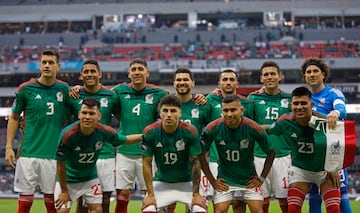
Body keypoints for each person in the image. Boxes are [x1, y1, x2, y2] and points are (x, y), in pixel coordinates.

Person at [5, 49, 70, 213]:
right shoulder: (25, 89)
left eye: (51, 62)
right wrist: (8, 147)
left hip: (53, 156)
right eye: (44, 62)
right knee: (25, 203)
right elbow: (13, 118)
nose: (47, 65)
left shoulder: (64, 89)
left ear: (58, 66)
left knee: (52, 204)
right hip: (28, 153)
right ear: (40, 65)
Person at [54, 98, 142, 213]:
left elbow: (125, 140)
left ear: (99, 116)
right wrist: (64, 192)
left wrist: (144, 136)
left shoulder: (104, 131)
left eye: (92, 113)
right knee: (62, 211)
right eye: (84, 113)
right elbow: (60, 164)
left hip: (89, 178)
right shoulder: (67, 135)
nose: (87, 117)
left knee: (97, 210)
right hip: (67, 180)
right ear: (79, 114)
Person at [267, 86, 341, 213]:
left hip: (324, 169)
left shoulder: (324, 121)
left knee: (334, 209)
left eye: (303, 103)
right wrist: (247, 126)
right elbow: (267, 129)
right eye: (296, 103)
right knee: (293, 209)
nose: (299, 107)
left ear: (311, 104)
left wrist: (334, 167)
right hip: (300, 170)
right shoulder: (285, 121)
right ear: (291, 105)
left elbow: (339, 143)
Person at [200, 94, 275, 213]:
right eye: (226, 110)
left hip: (248, 180)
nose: (229, 114)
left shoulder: (253, 128)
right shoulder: (212, 128)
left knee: (258, 210)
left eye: (233, 110)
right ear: (221, 111)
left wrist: (261, 178)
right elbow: (201, 155)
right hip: (225, 180)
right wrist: (212, 181)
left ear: (241, 110)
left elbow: (271, 152)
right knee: (219, 210)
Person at [112, 58, 169, 213]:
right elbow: (103, 98)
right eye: (134, 69)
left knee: (150, 194)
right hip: (124, 152)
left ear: (147, 73)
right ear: (129, 74)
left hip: (148, 154)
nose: (137, 72)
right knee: (122, 196)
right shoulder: (118, 91)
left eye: (140, 69)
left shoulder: (159, 93)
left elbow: (169, 111)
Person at [68, 59, 120, 213]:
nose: (89, 74)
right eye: (86, 72)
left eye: (93, 71)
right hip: (82, 154)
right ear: (81, 76)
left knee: (105, 199)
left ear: (100, 74)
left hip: (106, 154)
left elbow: (123, 117)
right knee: (82, 201)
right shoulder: (74, 95)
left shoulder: (111, 96)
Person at [141, 94, 207, 213]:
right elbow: (146, 163)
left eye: (173, 111)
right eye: (165, 110)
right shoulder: (150, 132)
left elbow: (196, 163)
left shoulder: (190, 131)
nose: (169, 114)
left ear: (180, 113)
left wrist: (196, 194)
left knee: (200, 210)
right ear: (160, 113)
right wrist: (150, 194)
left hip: (187, 181)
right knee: (148, 209)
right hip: (162, 181)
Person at [300, 57, 350, 213]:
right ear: (305, 76)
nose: (312, 74)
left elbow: (341, 109)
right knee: (314, 197)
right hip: (313, 153)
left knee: (340, 196)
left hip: (333, 151)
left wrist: (335, 112)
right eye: (308, 72)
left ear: (323, 74)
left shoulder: (333, 93)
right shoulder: (304, 97)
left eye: (315, 71)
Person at [206, 69, 254, 212]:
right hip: (217, 160)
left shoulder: (248, 104)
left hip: (242, 163)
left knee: (239, 204)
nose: (228, 82)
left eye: (231, 79)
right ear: (219, 83)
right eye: (225, 79)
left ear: (237, 83)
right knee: (219, 205)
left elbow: (253, 131)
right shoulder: (208, 101)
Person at [247, 61, 292, 213]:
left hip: (284, 155)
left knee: (286, 201)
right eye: (266, 74)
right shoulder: (253, 99)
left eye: (273, 74)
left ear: (280, 76)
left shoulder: (290, 99)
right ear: (261, 78)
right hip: (259, 156)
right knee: (261, 201)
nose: (270, 77)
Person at [171, 67, 212, 211]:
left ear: (193, 83)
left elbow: (211, 132)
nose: (182, 82)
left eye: (185, 79)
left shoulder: (203, 105)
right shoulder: (165, 105)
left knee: (196, 205)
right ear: (173, 83)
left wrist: (203, 151)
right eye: (179, 80)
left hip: (195, 164)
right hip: (169, 165)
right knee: (168, 205)